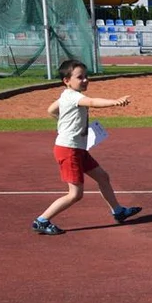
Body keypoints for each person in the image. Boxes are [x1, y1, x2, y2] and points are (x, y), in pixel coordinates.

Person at [31, 59, 141, 235]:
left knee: (103, 177)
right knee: (75, 194)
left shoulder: (65, 95)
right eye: (80, 77)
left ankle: (118, 211)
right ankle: (42, 220)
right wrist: (115, 102)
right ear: (66, 80)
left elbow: (51, 110)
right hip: (69, 150)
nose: (85, 80)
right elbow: (92, 102)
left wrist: (63, 123)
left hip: (78, 149)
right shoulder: (74, 96)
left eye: (86, 76)